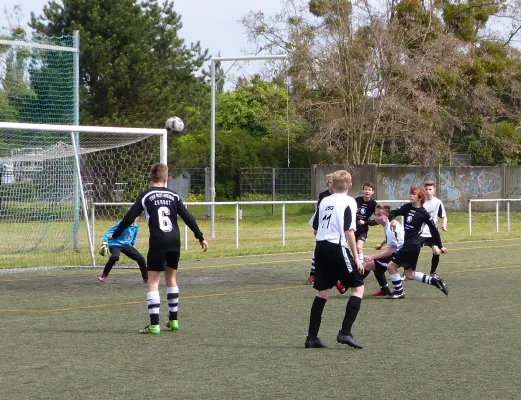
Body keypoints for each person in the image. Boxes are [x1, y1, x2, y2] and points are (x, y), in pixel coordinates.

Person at [110, 163, 209, 335]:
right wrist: (200, 236)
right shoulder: (174, 195)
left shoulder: (145, 195)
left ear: (150, 178)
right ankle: (173, 320)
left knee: (153, 282)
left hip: (158, 241)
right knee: (171, 279)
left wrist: (116, 234)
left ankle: (154, 324)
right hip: (174, 241)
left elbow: (129, 218)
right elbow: (188, 217)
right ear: (166, 178)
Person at [305, 170, 365, 349]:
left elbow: (315, 227)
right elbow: (349, 232)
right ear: (350, 185)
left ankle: (312, 337)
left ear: (332, 184)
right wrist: (357, 258)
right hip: (336, 247)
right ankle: (345, 333)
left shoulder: (324, 200)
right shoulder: (349, 201)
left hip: (320, 247)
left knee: (322, 292)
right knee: (358, 288)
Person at [386, 186, 449, 299]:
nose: (410, 195)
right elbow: (392, 212)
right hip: (409, 245)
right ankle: (435, 281)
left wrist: (440, 246)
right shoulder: (407, 207)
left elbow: (435, 232)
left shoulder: (424, 214)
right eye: (410, 193)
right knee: (410, 274)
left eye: (413, 194)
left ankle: (399, 292)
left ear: (420, 198)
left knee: (391, 266)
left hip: (412, 245)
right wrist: (393, 220)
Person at [306, 174, 348, 293]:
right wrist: (316, 226)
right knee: (319, 251)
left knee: (336, 255)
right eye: (329, 182)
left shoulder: (342, 197)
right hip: (324, 226)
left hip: (336, 230)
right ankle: (313, 274)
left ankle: (340, 279)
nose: (331, 184)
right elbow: (320, 212)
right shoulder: (323, 196)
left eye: (332, 182)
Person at [362, 203, 404, 297]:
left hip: (400, 255)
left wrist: (372, 256)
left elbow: (389, 251)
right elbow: (391, 239)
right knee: (376, 266)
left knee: (370, 265)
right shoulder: (388, 225)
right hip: (397, 252)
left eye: (379, 215)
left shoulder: (390, 228)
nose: (376, 217)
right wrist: (381, 244)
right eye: (376, 214)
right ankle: (384, 289)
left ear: (387, 216)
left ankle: (347, 285)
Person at [97, 217, 148, 283]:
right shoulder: (121, 224)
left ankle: (146, 278)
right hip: (115, 243)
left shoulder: (135, 226)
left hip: (126, 245)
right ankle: (104, 275)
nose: (134, 217)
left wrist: (132, 243)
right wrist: (105, 242)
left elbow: (134, 236)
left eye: (136, 216)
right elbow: (109, 232)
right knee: (115, 257)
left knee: (141, 258)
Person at [420, 180, 448, 277]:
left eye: (430, 189)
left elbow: (444, 216)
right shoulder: (420, 201)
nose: (428, 191)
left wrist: (444, 224)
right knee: (412, 251)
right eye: (426, 189)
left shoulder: (437, 202)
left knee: (436, 251)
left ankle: (433, 273)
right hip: (420, 232)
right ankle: (406, 272)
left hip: (432, 233)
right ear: (423, 190)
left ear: (434, 190)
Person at [355, 182, 377, 263]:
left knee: (359, 247)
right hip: (352, 228)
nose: (367, 191)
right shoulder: (357, 200)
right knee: (352, 248)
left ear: (372, 192)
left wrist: (365, 222)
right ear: (363, 190)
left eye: (369, 190)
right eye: (365, 189)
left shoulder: (373, 204)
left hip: (362, 230)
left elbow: (378, 220)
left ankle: (360, 265)